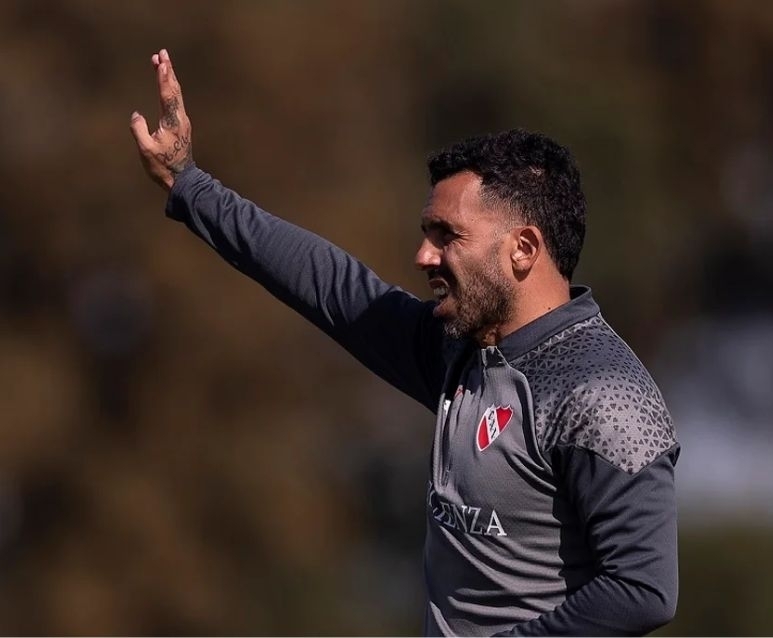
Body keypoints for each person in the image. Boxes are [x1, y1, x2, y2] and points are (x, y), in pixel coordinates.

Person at [130, 49, 679, 637]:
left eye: (447, 236)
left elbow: (643, 590)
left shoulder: (604, 393)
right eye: (426, 233)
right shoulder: (460, 350)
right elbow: (327, 282)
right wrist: (190, 185)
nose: (424, 256)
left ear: (523, 249)